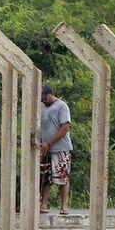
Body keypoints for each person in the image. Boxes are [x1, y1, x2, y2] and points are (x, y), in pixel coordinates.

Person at [40, 84, 73, 216]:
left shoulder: (62, 106)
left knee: (62, 177)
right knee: (46, 177)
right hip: (45, 148)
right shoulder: (41, 107)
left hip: (61, 147)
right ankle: (43, 204)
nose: (44, 99)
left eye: (46, 96)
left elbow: (65, 128)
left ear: (52, 93)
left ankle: (64, 206)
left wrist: (50, 142)